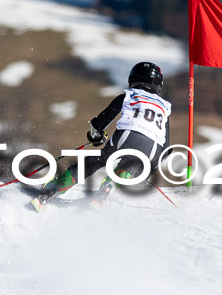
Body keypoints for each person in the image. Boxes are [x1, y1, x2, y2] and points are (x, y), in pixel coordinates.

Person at [31, 61, 171, 210]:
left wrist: (95, 135)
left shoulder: (130, 95)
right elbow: (167, 149)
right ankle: (109, 187)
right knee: (132, 164)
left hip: (127, 137)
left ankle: (52, 190)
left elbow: (104, 119)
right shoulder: (164, 107)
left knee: (97, 160)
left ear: (133, 79)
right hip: (153, 149)